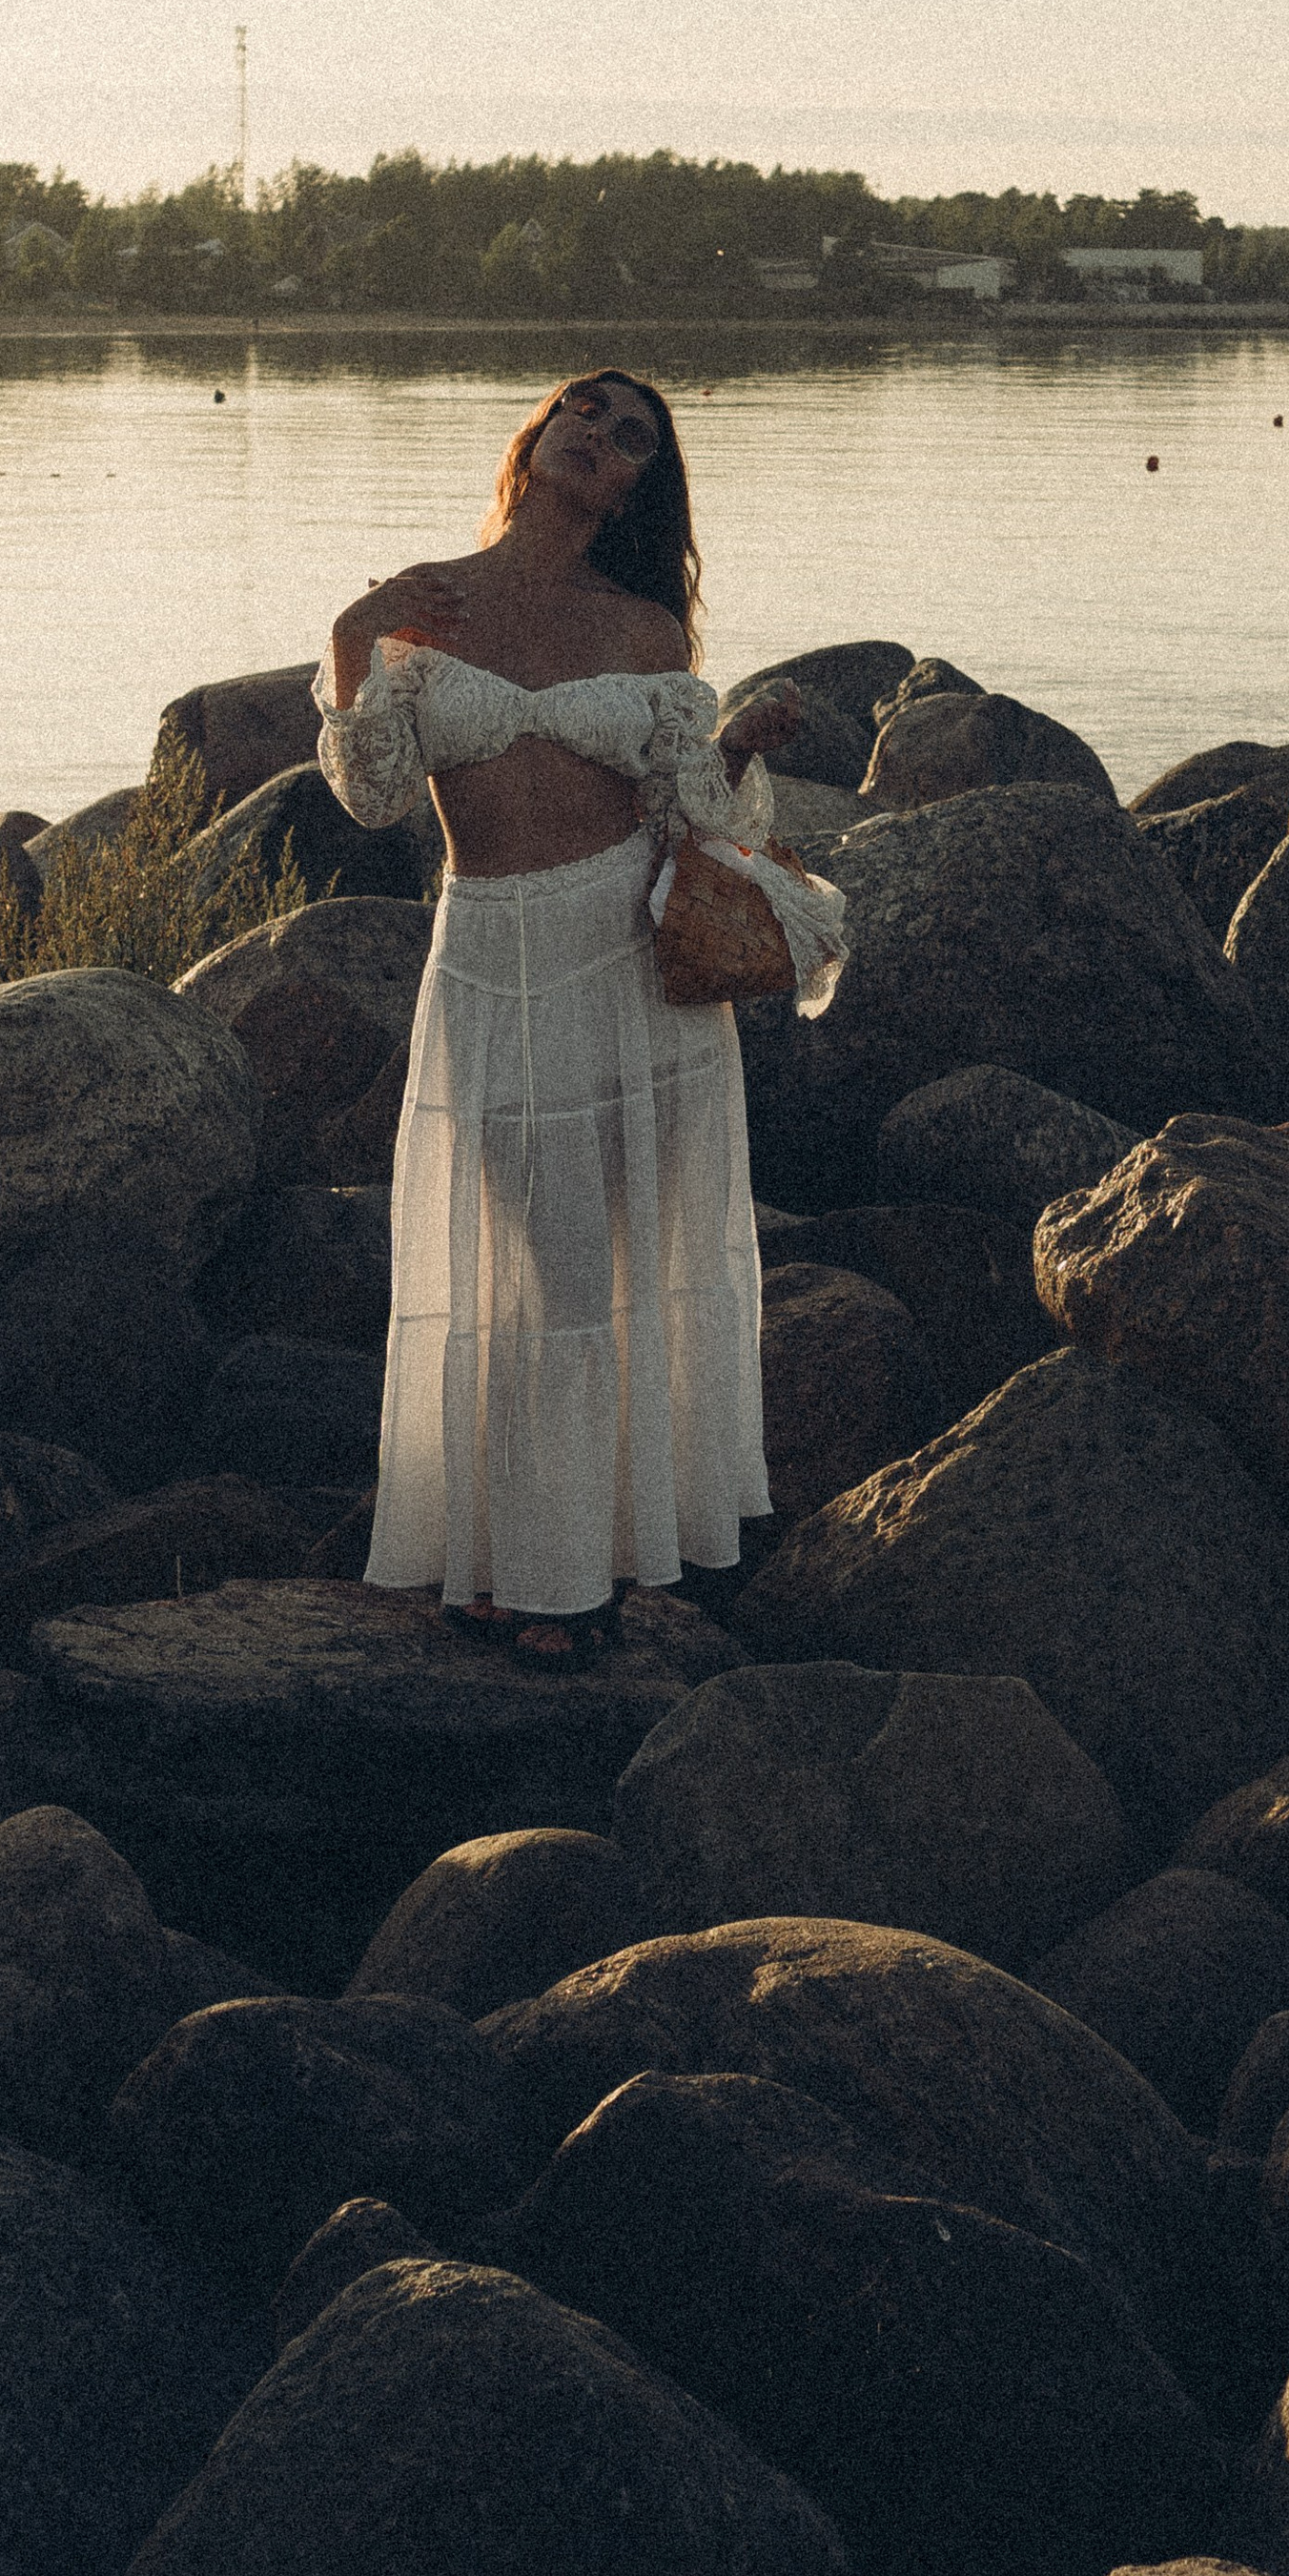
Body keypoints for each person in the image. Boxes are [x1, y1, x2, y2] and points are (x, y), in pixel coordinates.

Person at [316, 371, 849, 1666]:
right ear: (539, 434)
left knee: (592, 1266)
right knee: (523, 1264)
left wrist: (739, 747)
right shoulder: (424, 603)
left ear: (633, 490)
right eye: (589, 415)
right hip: (490, 955)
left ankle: (566, 1580)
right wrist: (350, 637)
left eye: (631, 443)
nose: (603, 441)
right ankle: (511, 1556)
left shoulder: (645, 632)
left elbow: (701, 823)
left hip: (622, 958)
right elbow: (374, 795)